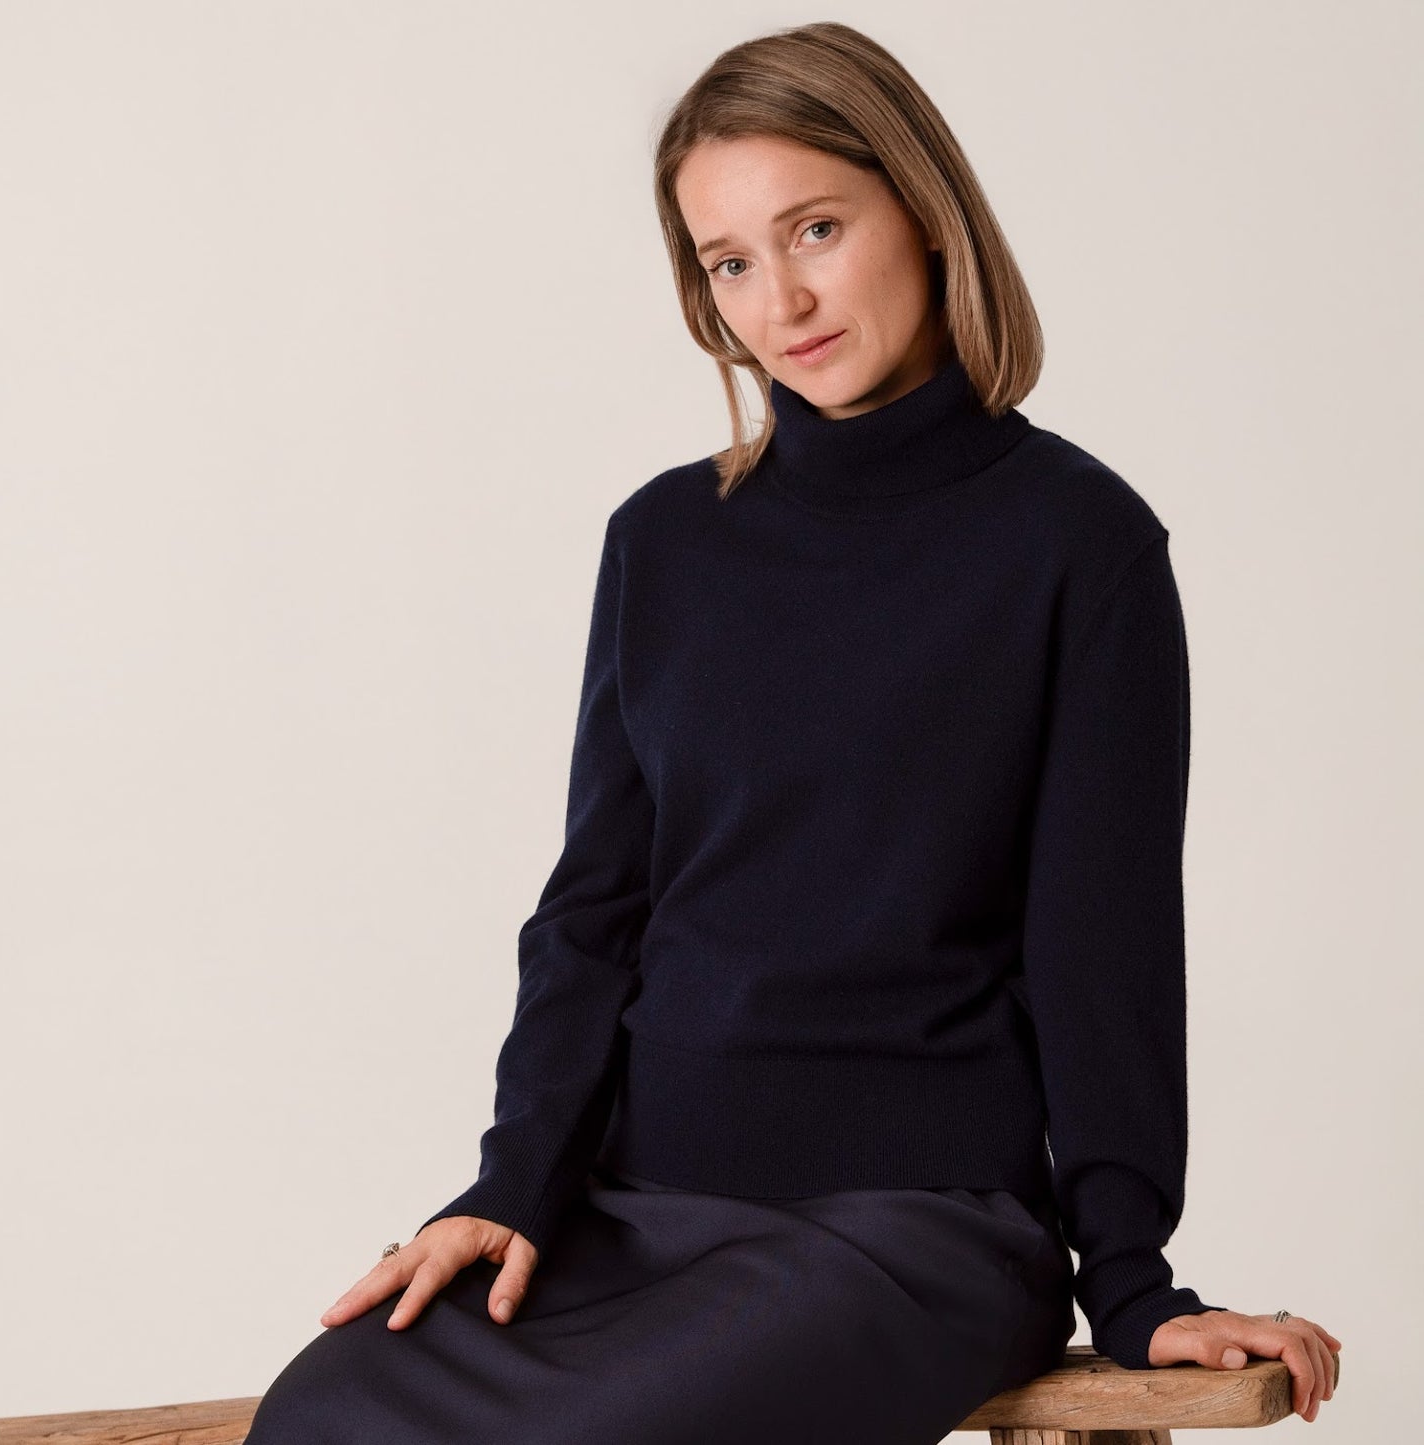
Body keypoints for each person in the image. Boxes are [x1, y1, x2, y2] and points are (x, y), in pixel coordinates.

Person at [244, 21, 1341, 1443]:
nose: (781, 297)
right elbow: (594, 913)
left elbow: (1101, 943)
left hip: (916, 1230)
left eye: (814, 226)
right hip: (630, 1219)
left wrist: (1129, 1281)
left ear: (923, 211)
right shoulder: (664, 542)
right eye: (728, 261)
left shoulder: (1079, 544)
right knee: (325, 1410)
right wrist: (508, 1186)